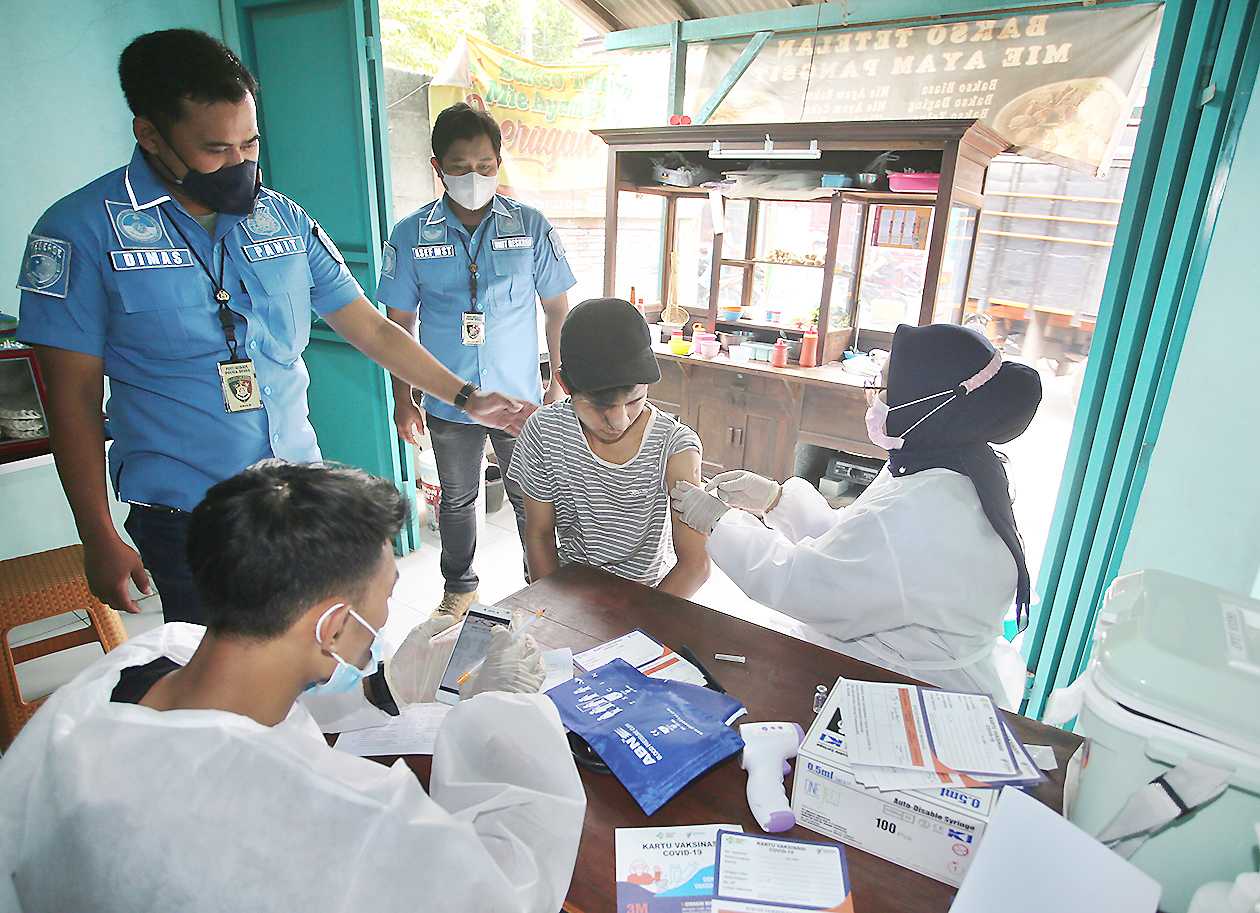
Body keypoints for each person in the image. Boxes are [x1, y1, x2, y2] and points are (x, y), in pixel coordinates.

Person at [14, 30, 531, 628]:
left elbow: (372, 329)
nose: (241, 164)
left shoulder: (281, 218)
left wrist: (465, 396)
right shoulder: (82, 231)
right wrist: (96, 533)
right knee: (224, 686)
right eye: (216, 149)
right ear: (151, 134)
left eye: (250, 143)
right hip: (189, 515)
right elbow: (72, 404)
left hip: (298, 496)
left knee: (320, 661)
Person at [0, 461, 585, 913]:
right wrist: (507, 709)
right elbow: (507, 890)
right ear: (333, 626)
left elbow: (249, 710)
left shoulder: (138, 663)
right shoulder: (335, 818)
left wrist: (382, 689)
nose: (387, 611)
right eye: (386, 592)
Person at [671, 324, 1042, 707]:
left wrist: (721, 524)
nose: (874, 400)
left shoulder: (923, 511)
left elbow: (804, 585)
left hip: (915, 689)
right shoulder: (950, 466)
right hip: (914, 657)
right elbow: (856, 544)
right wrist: (777, 501)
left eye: (883, 389)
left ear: (928, 401)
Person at [377, 103, 576, 620]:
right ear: (437, 166)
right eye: (461, 166)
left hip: (521, 401)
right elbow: (399, 326)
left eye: (486, 166)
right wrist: (406, 400)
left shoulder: (531, 226)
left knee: (531, 497)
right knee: (458, 500)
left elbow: (557, 309)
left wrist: (558, 383)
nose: (474, 176)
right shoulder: (410, 235)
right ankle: (460, 589)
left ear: (499, 163)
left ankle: (540, 584)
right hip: (451, 403)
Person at [508, 298, 709, 597]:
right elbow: (538, 535)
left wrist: (641, 629)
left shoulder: (675, 446)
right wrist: (551, 611)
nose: (619, 420)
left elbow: (695, 565)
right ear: (564, 383)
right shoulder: (544, 431)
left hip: (650, 594)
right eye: (600, 406)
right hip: (570, 590)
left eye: (633, 401)